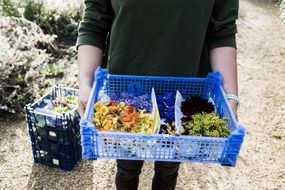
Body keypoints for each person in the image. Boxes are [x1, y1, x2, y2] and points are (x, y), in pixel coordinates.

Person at [76, 0, 239, 189]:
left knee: (168, 169)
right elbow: (94, 22)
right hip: (126, 96)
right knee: (127, 166)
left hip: (184, 99)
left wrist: (230, 98)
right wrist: (85, 84)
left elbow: (222, 32)